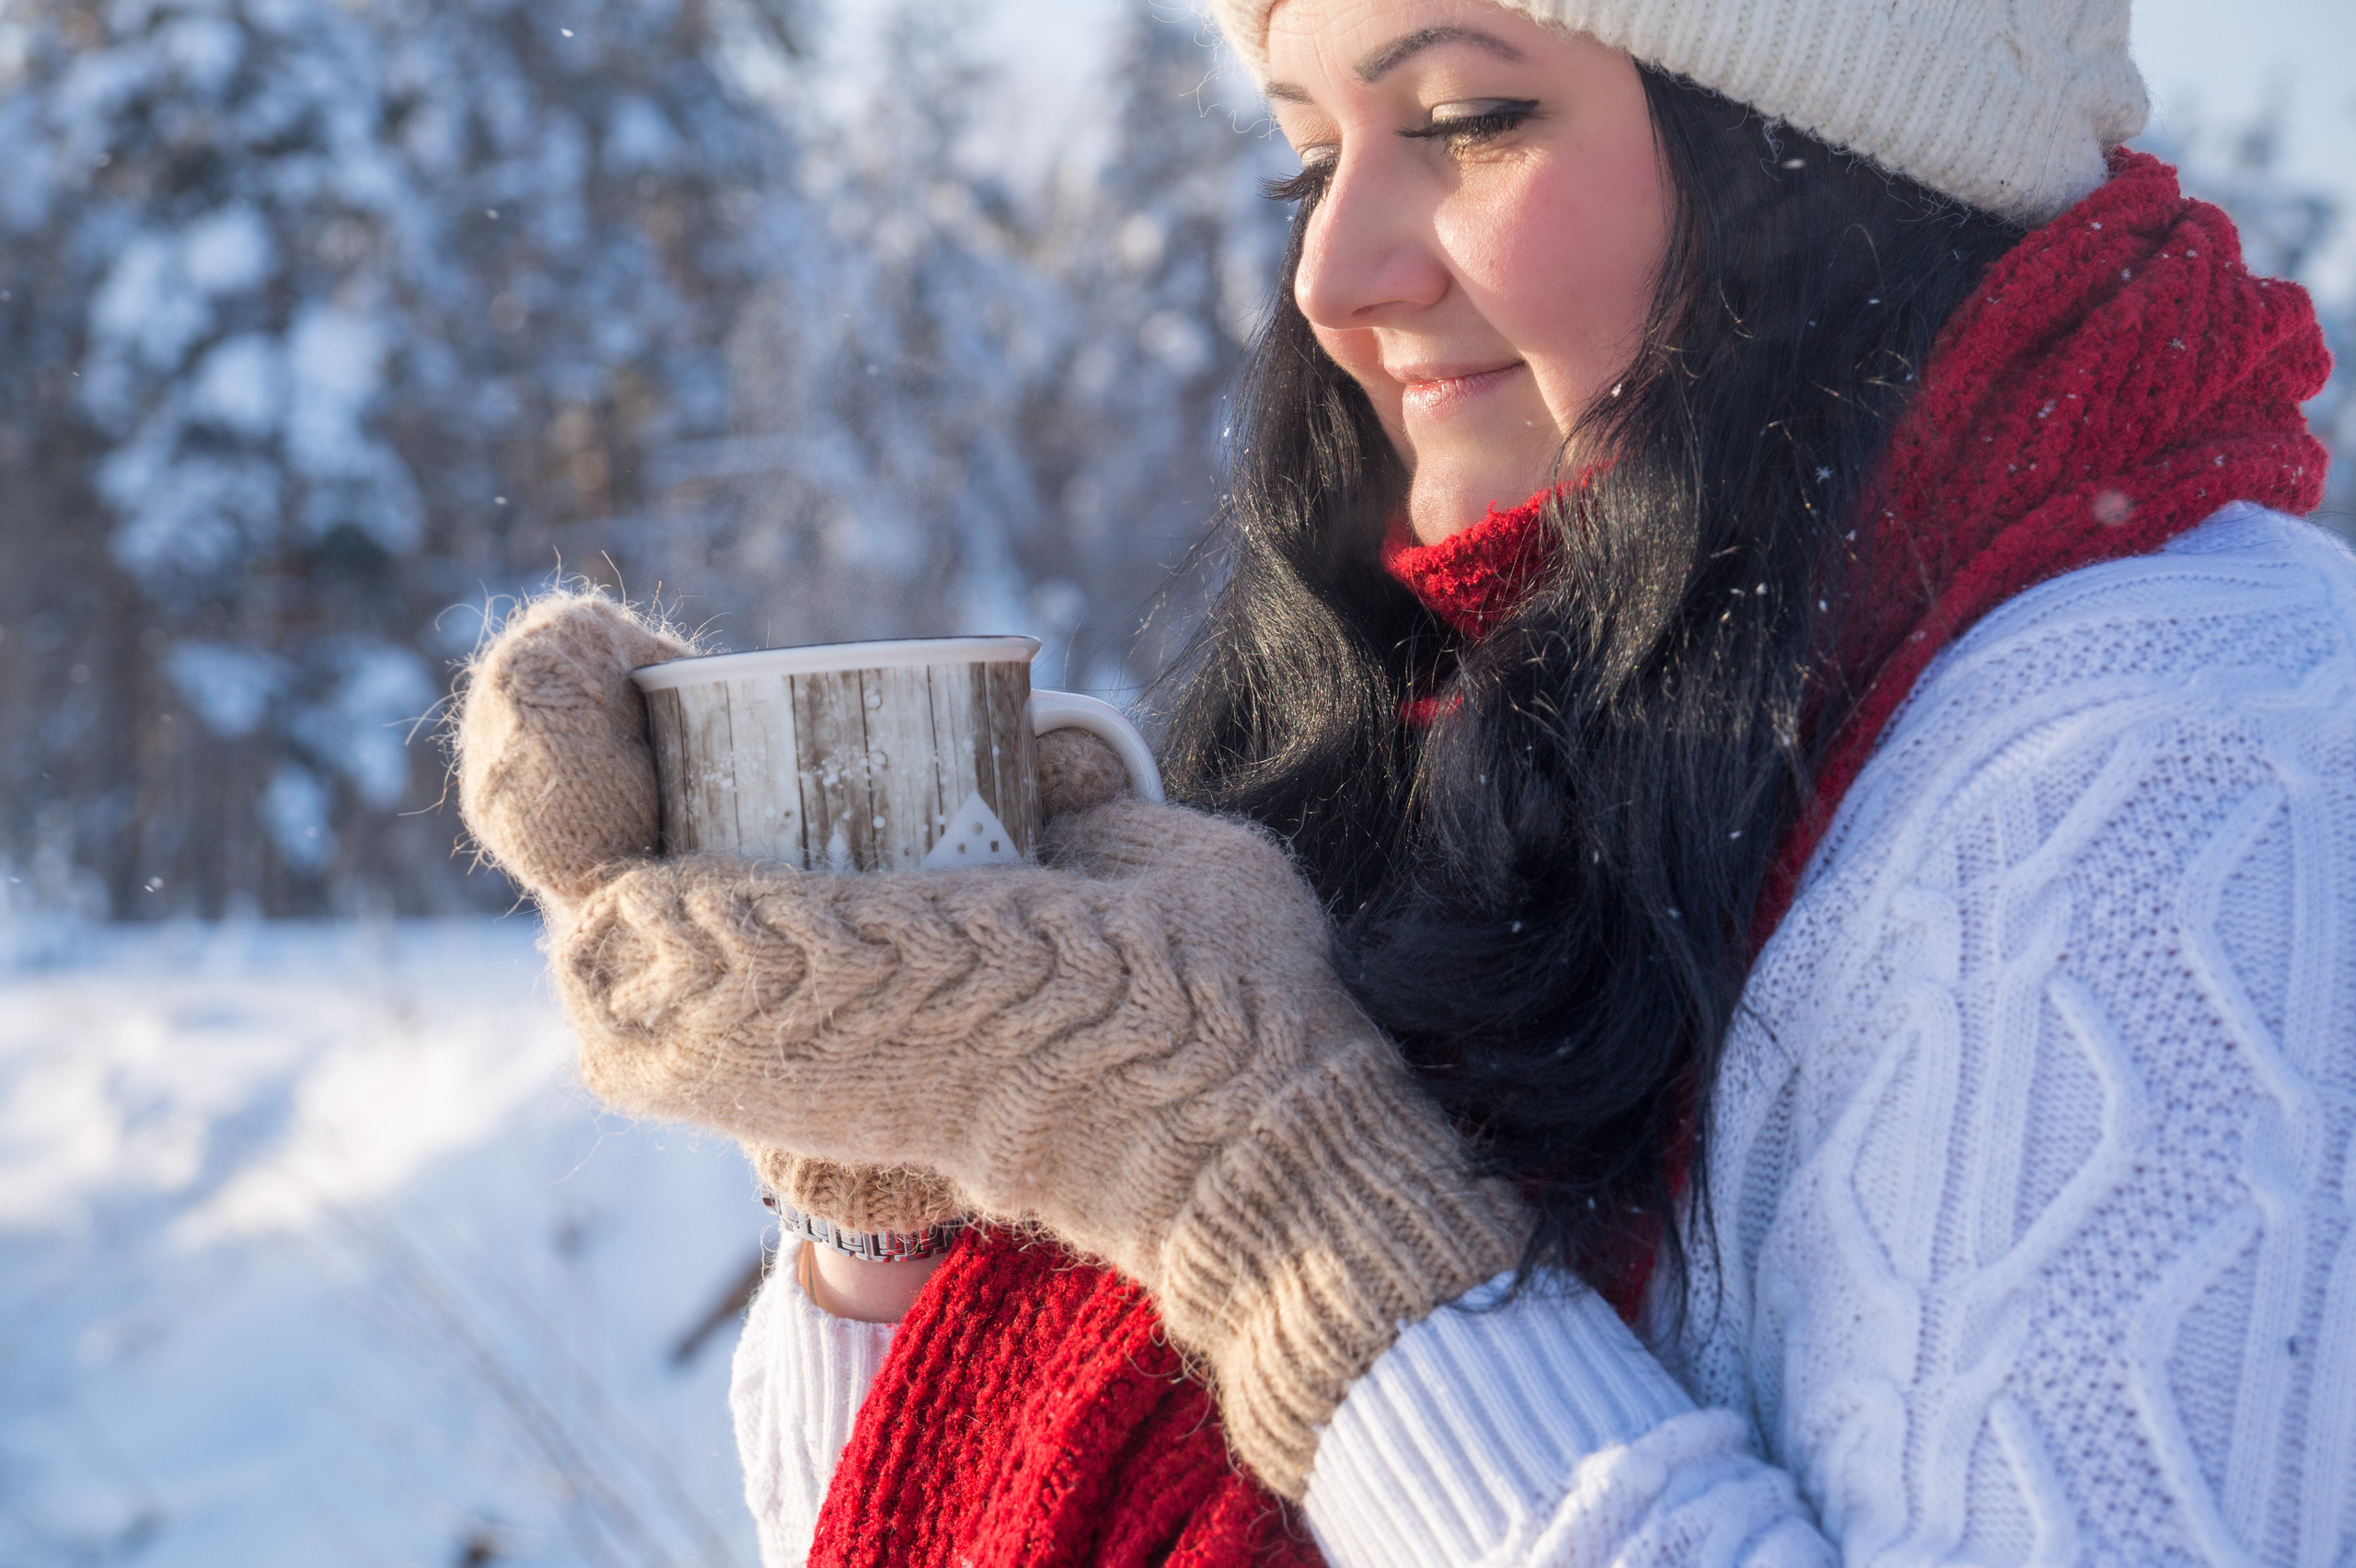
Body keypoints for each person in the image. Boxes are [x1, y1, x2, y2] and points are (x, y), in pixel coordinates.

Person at [451, 0, 2351, 1562]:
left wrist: (1277, 1196)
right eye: (1307, 150)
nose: (1331, 274)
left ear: (1832, 154)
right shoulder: (1566, 706)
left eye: (1463, 117)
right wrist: (906, 1134)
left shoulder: (2165, 757)